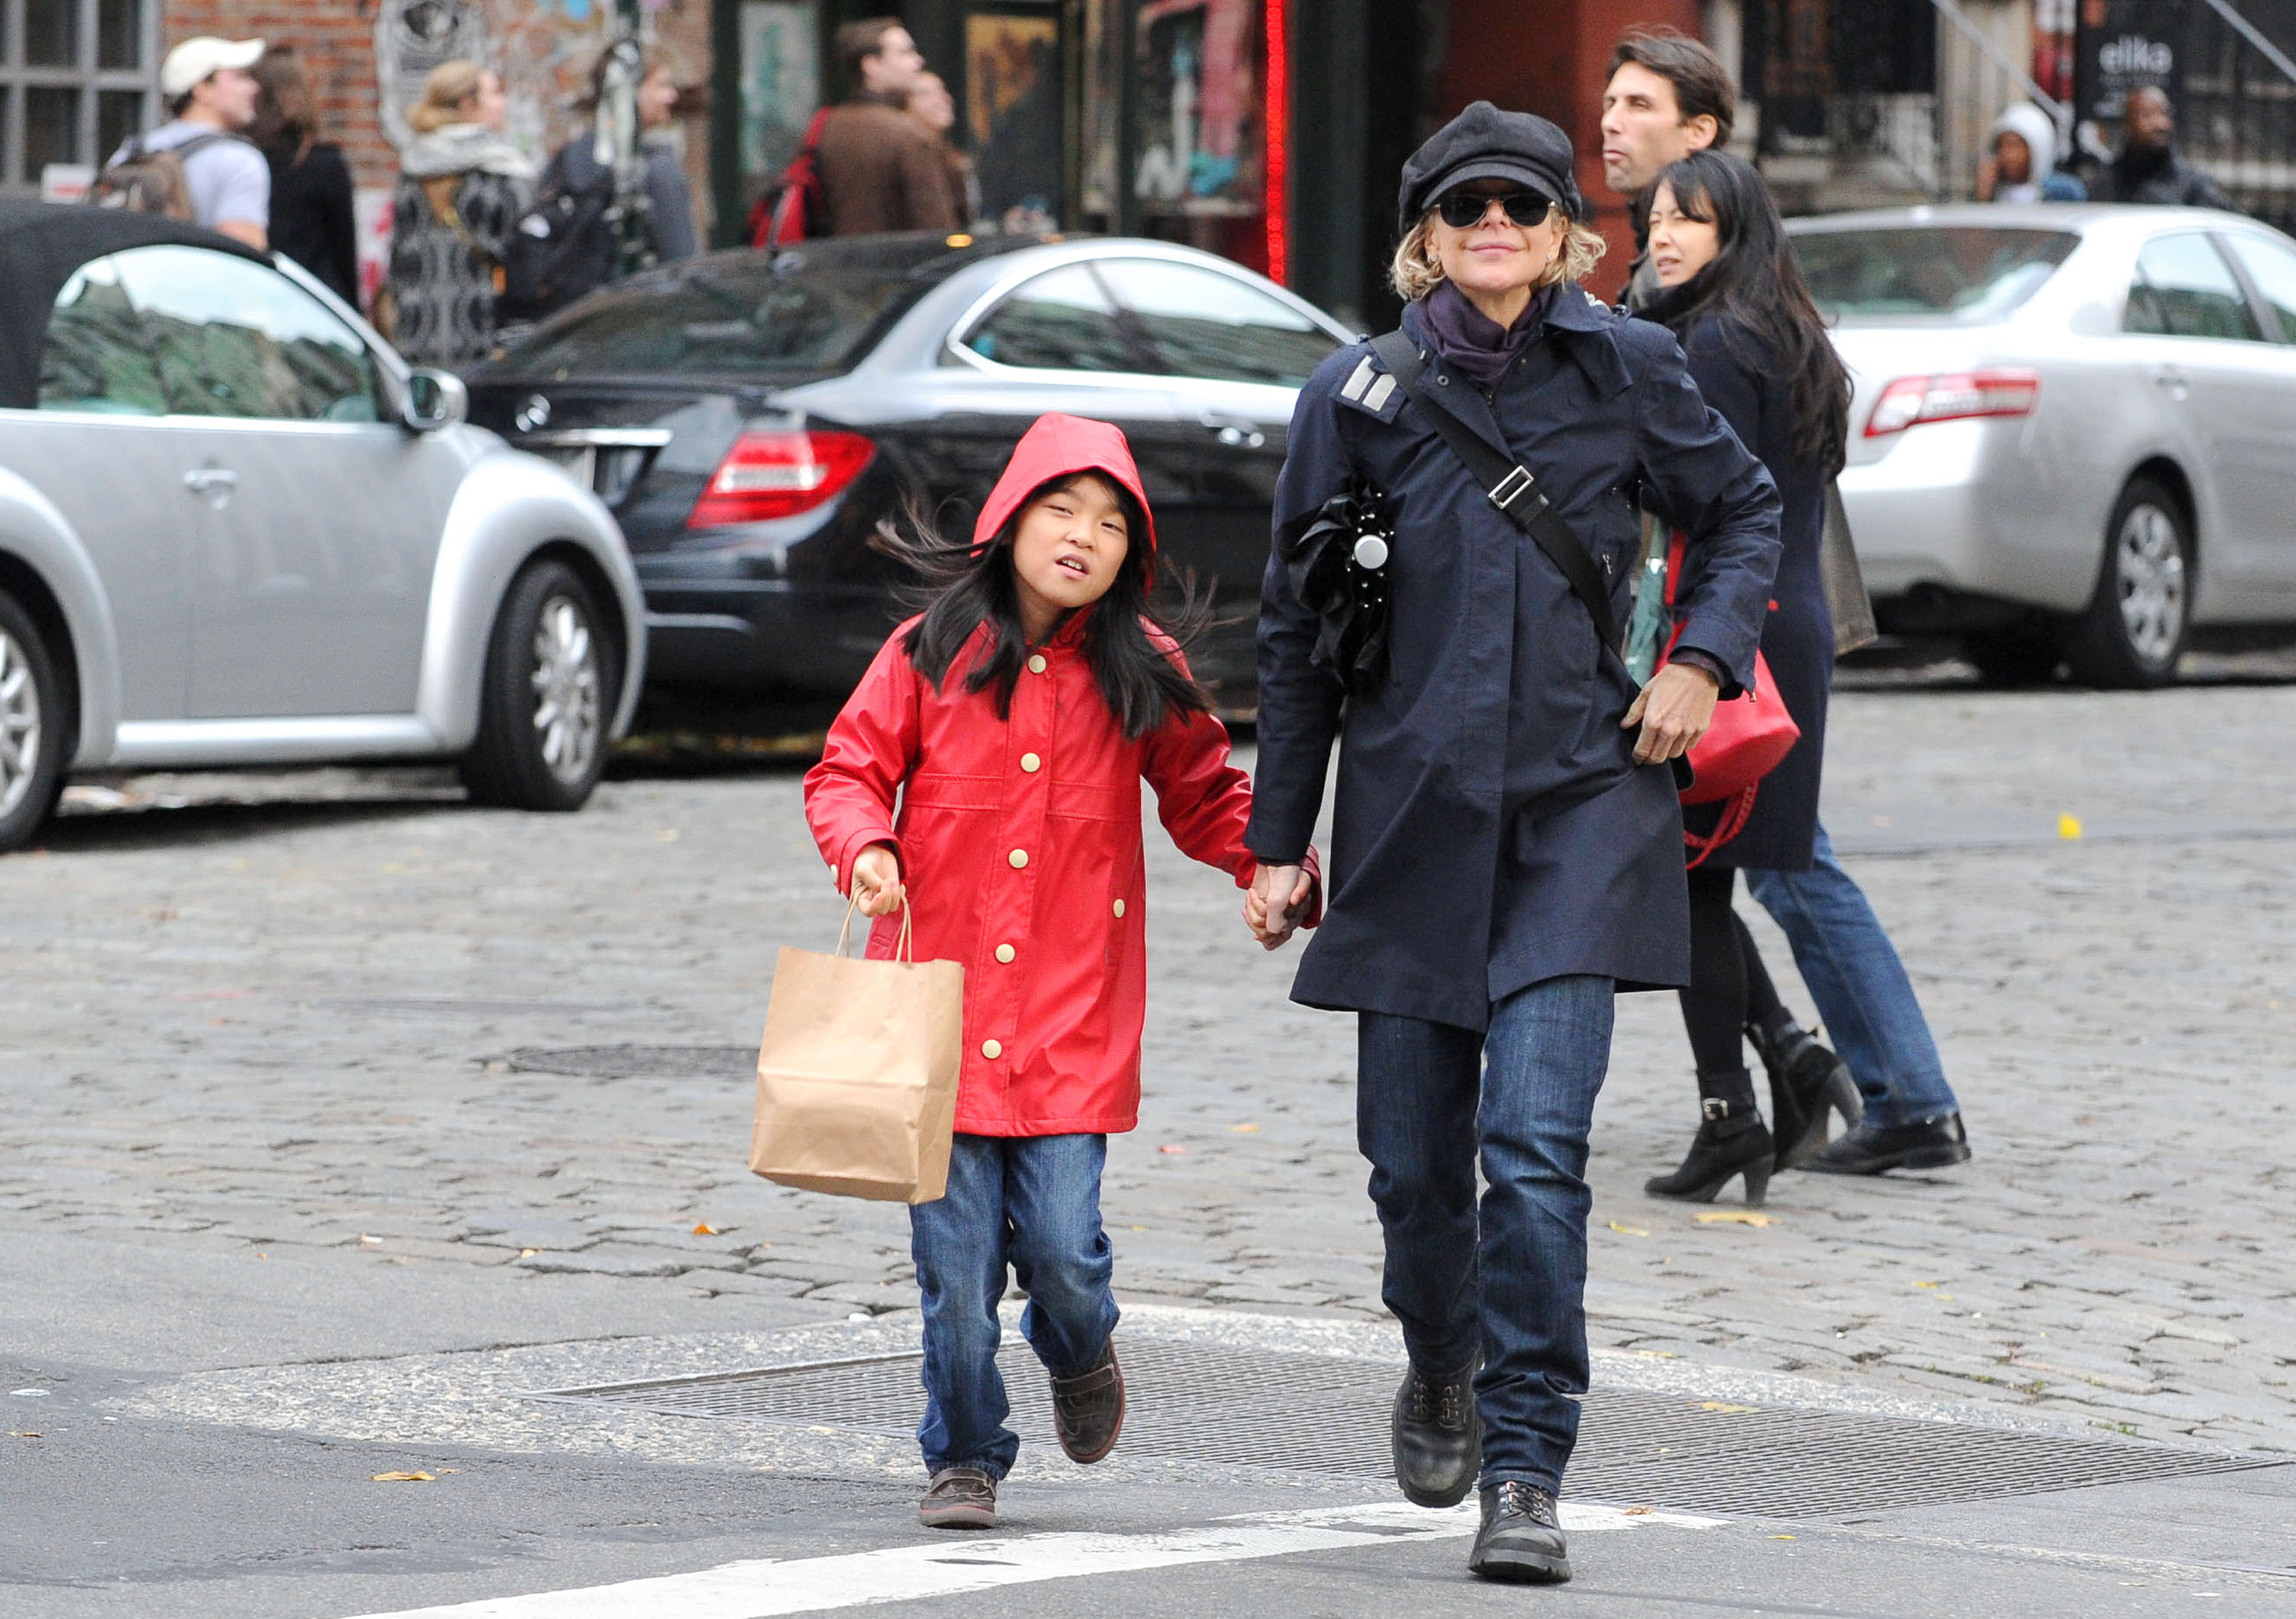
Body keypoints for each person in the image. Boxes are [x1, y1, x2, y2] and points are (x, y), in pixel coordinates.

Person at [1247, 103, 1779, 1583]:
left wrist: (1703, 659)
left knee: (1534, 1152)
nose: (1498, 225)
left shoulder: (1633, 367)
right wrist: (1278, 840)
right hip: (1412, 819)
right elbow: (1297, 637)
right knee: (1414, 1177)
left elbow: (1741, 510)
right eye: (1469, 204)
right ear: (1428, 232)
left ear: (1564, 233)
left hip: (1581, 809)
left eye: (1526, 206)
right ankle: (1442, 1357)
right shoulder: (1351, 399)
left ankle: (1529, 1463)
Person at [803, 413, 1319, 1533]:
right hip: (935, 1018)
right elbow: (847, 770)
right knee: (953, 1274)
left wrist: (1276, 867)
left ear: (1133, 552)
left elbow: (1204, 794)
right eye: (1059, 509)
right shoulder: (928, 651)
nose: (1082, 537)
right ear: (1008, 518)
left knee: (1065, 1251)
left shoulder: (1145, 670)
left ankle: (1081, 1347)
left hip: (1068, 1019)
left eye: (1109, 523)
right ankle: (966, 1452)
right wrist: (867, 847)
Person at [1632, 150, 1864, 1204]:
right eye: (1657, 220)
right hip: (1784, 627)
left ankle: (1734, 1106)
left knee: (1690, 880)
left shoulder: (1718, 343)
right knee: (1699, 881)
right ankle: (1771, 1072)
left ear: (1736, 228)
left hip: (1734, 638)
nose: (1664, 237)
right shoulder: (1786, 329)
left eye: (1690, 219)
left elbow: (1710, 503)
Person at [386, 60, 535, 370]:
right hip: (485, 342)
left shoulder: (412, 171)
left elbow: (398, 263)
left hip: (417, 342)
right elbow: (526, 264)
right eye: (494, 94)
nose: (502, 104)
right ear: (469, 105)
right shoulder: (502, 174)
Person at [1599, 29, 1733, 307]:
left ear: (1698, 131)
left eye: (1639, 105)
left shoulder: (1712, 263)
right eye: (1610, 104)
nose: (1610, 122)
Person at [109, 36, 269, 247]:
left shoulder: (132, 151)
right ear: (202, 88)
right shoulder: (240, 161)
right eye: (240, 77)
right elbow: (244, 252)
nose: (254, 88)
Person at [549, 44, 700, 268]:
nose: (672, 96)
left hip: (580, 301)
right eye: (661, 85)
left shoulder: (572, 154)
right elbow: (681, 260)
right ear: (627, 91)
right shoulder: (657, 168)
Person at [816, 18, 962, 235]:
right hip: (901, 265)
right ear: (872, 66)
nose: (918, 61)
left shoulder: (827, 127)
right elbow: (937, 230)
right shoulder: (911, 134)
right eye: (905, 53)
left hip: (838, 262)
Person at [249, 47, 358, 304]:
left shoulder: (244, 159)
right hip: (316, 306)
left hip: (258, 301)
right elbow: (344, 253)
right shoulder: (323, 163)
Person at [2097, 86, 2231, 209]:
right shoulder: (2106, 183)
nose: (2160, 124)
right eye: (2147, 115)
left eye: (2164, 113)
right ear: (2127, 124)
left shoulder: (2194, 186)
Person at [907, 70, 979, 228]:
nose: (942, 99)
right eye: (925, 94)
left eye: (941, 91)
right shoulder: (909, 156)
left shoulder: (953, 157)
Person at [1976, 103, 2086, 203]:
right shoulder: (1998, 190)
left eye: (2015, 146)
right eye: (2001, 146)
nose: (2006, 155)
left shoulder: (2064, 190)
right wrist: (1984, 195)